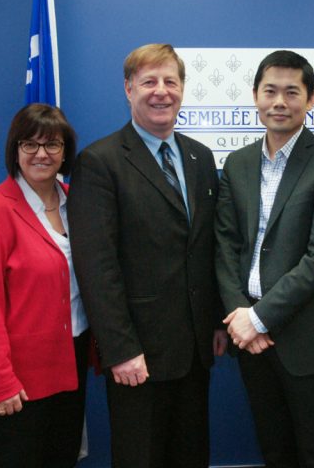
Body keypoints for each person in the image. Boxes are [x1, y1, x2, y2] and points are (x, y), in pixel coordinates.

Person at [68, 43, 227, 468]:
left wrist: (214, 321)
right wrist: (119, 348)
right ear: (128, 89)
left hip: (194, 350)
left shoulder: (199, 156)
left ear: (182, 89)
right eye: (149, 82)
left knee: (191, 456)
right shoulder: (99, 162)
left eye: (170, 81)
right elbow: (96, 265)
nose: (161, 92)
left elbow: (205, 248)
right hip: (138, 353)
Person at [215, 50, 314, 468]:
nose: (280, 101)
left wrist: (258, 319)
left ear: (311, 99)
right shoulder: (237, 163)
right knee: (273, 447)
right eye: (270, 91)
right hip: (249, 337)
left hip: (306, 334)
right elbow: (223, 245)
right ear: (255, 96)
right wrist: (240, 313)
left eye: (292, 92)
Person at [0, 104, 88, 467]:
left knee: (62, 459)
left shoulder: (75, 202)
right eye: (29, 145)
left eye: (52, 145)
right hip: (17, 376)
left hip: (70, 363)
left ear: (65, 152)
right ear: (14, 151)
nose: (41, 154)